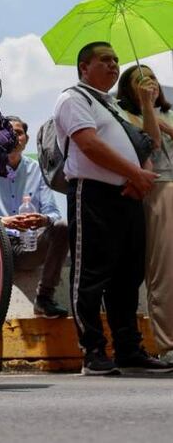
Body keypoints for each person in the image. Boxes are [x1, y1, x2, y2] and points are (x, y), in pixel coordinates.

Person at [52, 42, 170, 375]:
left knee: (128, 277)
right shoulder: (74, 99)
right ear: (83, 68)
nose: (114, 65)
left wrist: (147, 103)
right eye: (105, 60)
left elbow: (149, 143)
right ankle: (92, 351)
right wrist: (135, 173)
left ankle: (128, 348)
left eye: (117, 60)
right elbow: (88, 145)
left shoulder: (114, 106)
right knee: (90, 275)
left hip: (128, 197)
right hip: (93, 195)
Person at [115, 64, 173, 363]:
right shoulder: (124, 116)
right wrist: (149, 110)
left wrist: (164, 122)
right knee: (163, 271)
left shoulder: (169, 113)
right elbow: (151, 147)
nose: (150, 83)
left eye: (152, 78)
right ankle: (168, 343)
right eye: (141, 80)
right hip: (158, 191)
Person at [0, 116, 69, 318]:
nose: (13, 137)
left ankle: (44, 298)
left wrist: (42, 220)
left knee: (63, 227)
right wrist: (2, 222)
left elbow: (53, 213)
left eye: (18, 132)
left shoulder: (36, 169)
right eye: (7, 132)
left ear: (26, 139)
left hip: (30, 243)